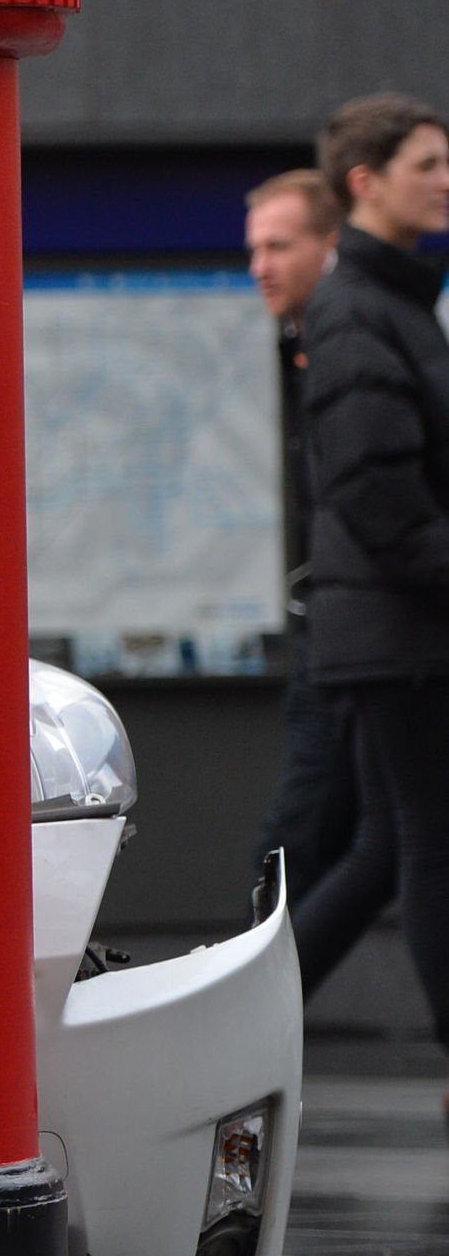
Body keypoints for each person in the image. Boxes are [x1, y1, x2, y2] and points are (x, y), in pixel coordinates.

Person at [289, 96, 449, 1020]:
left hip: (396, 632)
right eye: (426, 163)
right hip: (402, 638)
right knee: (430, 844)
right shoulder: (358, 312)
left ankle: (245, 1022)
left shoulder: (392, 302)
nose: (443, 180)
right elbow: (379, 494)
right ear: (367, 181)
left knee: (390, 847)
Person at [245, 168, 362, 922]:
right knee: (389, 840)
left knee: (303, 844)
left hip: (354, 635)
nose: (260, 266)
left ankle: (245, 1026)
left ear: (332, 245)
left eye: (280, 246)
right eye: (254, 248)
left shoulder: (345, 345)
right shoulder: (300, 346)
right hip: (337, 624)